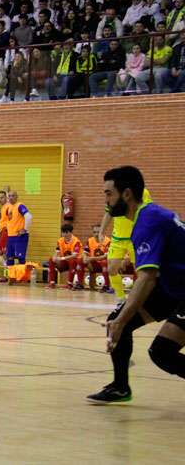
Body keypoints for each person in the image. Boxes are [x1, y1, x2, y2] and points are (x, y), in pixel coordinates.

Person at [87, 166, 185, 404]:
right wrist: (121, 319)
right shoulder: (146, 216)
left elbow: (147, 278)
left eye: (109, 194)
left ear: (127, 194)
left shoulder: (147, 222)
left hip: (179, 290)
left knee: (160, 352)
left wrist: (121, 321)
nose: (107, 201)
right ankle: (120, 387)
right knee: (119, 317)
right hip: (174, 287)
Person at [100, 184, 152, 301]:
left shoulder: (143, 192)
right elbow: (109, 213)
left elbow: (147, 211)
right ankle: (121, 299)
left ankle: (142, 298)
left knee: (140, 271)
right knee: (112, 269)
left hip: (136, 237)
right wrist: (101, 231)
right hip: (118, 238)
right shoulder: (114, 193)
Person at [46, 224, 85, 290]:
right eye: (63, 232)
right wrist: (55, 257)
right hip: (64, 262)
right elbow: (57, 251)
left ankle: (69, 284)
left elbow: (74, 255)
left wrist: (62, 258)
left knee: (72, 261)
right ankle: (52, 283)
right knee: (51, 259)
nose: (64, 234)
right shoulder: (60, 241)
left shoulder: (76, 241)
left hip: (76, 263)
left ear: (71, 232)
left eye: (66, 232)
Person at [5, 191, 32, 284]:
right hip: (10, 237)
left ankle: (22, 278)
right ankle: (11, 278)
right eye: (9, 196)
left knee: (21, 258)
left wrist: (25, 229)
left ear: (17, 197)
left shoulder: (20, 206)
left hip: (20, 237)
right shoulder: (9, 207)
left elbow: (28, 216)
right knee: (9, 258)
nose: (11, 197)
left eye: (13, 196)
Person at [84, 224, 112, 293]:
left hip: (105, 264)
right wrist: (86, 260)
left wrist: (91, 259)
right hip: (94, 263)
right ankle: (79, 284)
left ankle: (106, 286)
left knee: (104, 262)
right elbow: (85, 253)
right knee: (80, 261)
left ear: (102, 232)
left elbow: (105, 256)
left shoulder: (108, 241)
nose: (96, 234)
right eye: (94, 232)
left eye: (98, 232)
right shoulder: (90, 240)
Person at [0, 190, 12, 278]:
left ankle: (8, 268)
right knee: (5, 254)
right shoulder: (4, 207)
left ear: (6, 198)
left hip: (6, 232)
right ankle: (6, 276)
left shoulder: (8, 206)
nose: (0, 200)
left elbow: (12, 219)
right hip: (3, 232)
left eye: (2, 197)